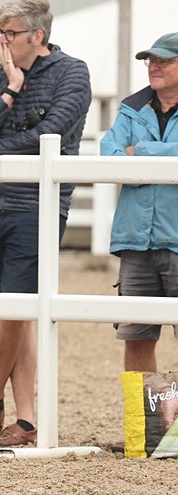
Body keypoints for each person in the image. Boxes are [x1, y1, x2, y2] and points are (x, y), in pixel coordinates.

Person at [0, 0, 92, 447]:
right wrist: (10, 91)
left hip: (37, 208)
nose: (3, 41)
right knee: (12, 315)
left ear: (37, 36)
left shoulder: (72, 73)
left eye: (11, 33)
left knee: (15, 311)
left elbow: (51, 133)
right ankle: (23, 418)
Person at [99, 32, 178, 373]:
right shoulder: (131, 108)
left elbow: (124, 157)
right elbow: (109, 156)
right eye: (151, 61)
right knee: (136, 339)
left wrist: (141, 151)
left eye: (164, 61)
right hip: (135, 241)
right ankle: (144, 413)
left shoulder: (130, 112)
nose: (154, 67)